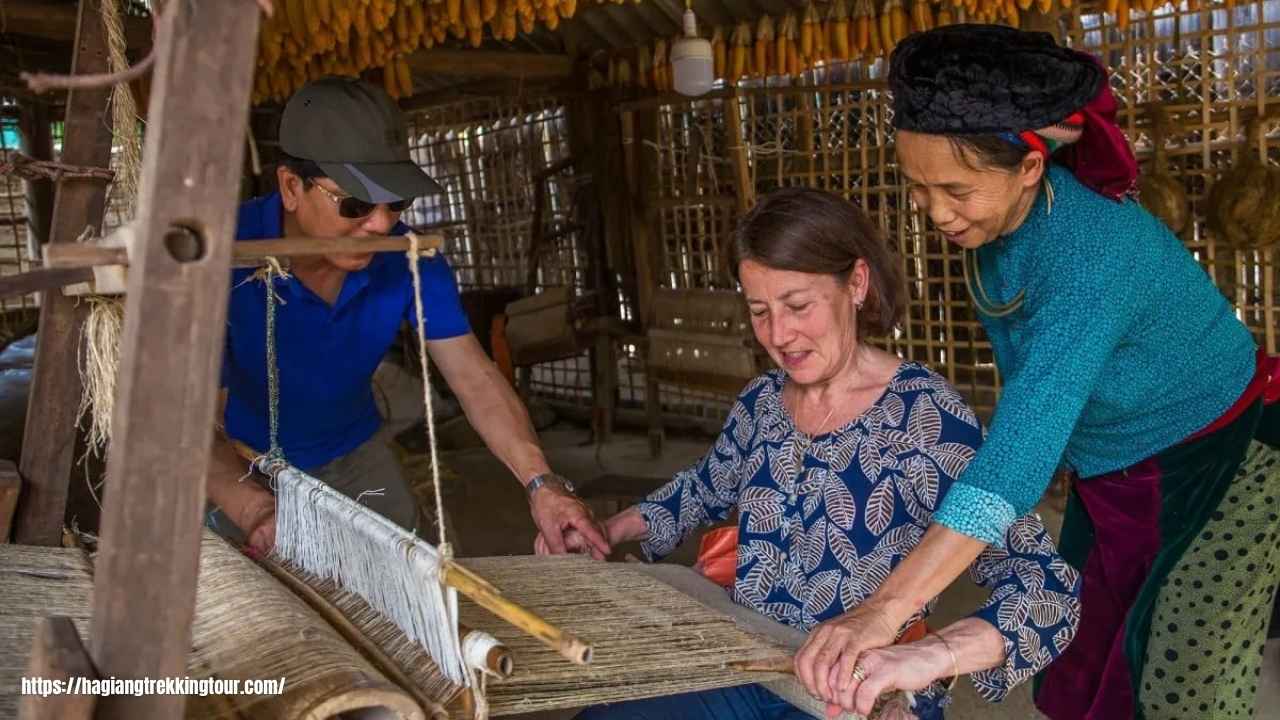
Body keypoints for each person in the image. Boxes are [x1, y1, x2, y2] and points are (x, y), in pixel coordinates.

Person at [804, 24, 1280, 720]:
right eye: (918, 187)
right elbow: (1033, 405)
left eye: (955, 189)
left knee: (1181, 681)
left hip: (1219, 454)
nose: (936, 211)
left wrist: (883, 609)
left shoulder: (1092, 255)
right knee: (1081, 664)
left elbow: (1021, 451)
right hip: (1114, 464)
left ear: (1030, 167)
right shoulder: (996, 228)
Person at [539, 187, 1082, 720]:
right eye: (759, 311)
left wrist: (931, 657)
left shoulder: (925, 417)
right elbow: (704, 487)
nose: (779, 334)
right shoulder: (762, 402)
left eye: (798, 305)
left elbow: (1048, 588)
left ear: (857, 283)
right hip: (747, 660)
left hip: (855, 694)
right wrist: (608, 531)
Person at [204, 77, 610, 561]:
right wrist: (255, 510)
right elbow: (188, 419)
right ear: (292, 186)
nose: (381, 224)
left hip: (355, 451)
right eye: (355, 204)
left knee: (411, 570)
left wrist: (542, 484)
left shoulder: (409, 258)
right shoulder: (220, 255)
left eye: (395, 202)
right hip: (241, 462)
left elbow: (474, 379)